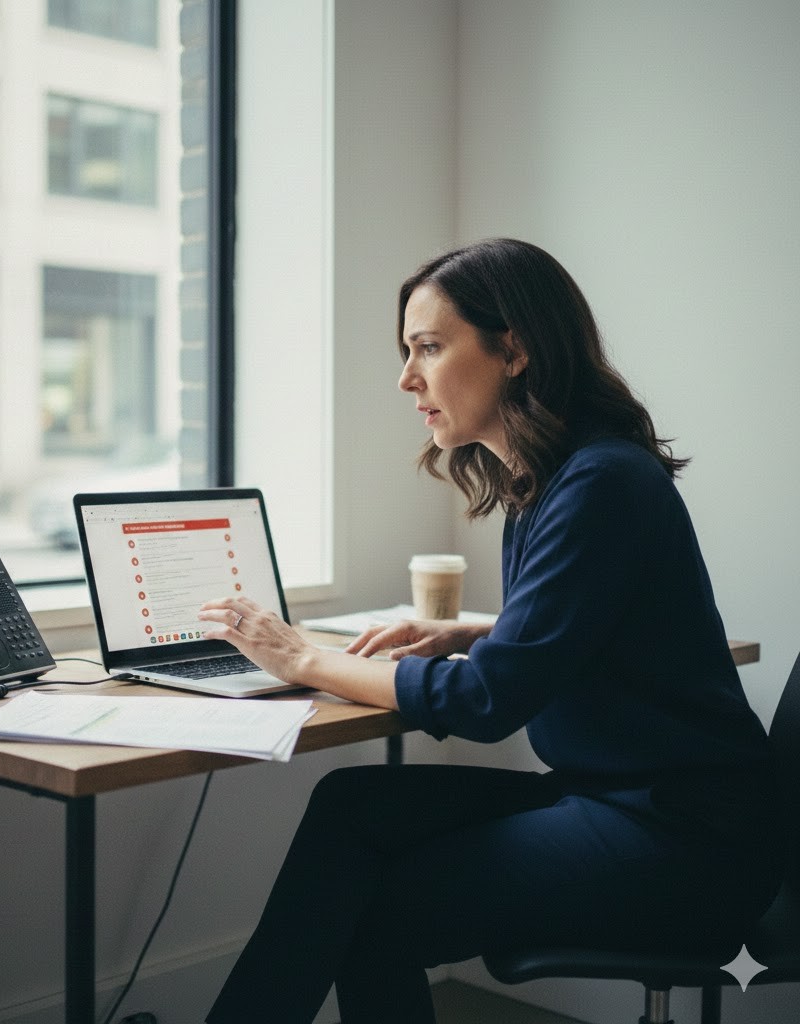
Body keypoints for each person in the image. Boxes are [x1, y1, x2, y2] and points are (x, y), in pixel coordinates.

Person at [197, 238, 783, 1024]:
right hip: (620, 797)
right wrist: (472, 631)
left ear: (515, 348)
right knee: (351, 804)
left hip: (686, 837)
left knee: (375, 907)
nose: (407, 378)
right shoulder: (556, 479)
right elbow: (581, 623)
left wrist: (302, 656)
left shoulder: (602, 483)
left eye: (429, 349)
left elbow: (485, 704)